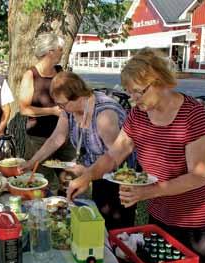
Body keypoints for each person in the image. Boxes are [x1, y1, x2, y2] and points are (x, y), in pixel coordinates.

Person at [67, 48, 205, 263]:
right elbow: (114, 155)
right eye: (129, 93)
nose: (134, 100)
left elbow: (199, 175)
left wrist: (147, 191)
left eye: (138, 92)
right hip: (161, 214)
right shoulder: (138, 115)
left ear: (158, 81)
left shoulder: (192, 114)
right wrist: (87, 176)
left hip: (197, 223)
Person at [21, 71, 136, 230]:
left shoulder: (104, 115)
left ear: (79, 96)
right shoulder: (68, 111)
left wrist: (86, 171)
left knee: (115, 229)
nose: (60, 108)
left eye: (63, 104)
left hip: (118, 182)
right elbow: (56, 138)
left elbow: (117, 158)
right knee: (97, 222)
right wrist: (32, 162)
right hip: (96, 175)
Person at [19, 33, 75, 192]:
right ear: (50, 51)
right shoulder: (30, 75)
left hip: (64, 137)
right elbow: (24, 109)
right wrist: (52, 111)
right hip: (39, 138)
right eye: (60, 49)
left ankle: (70, 209)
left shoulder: (60, 71)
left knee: (70, 179)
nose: (62, 52)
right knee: (42, 183)